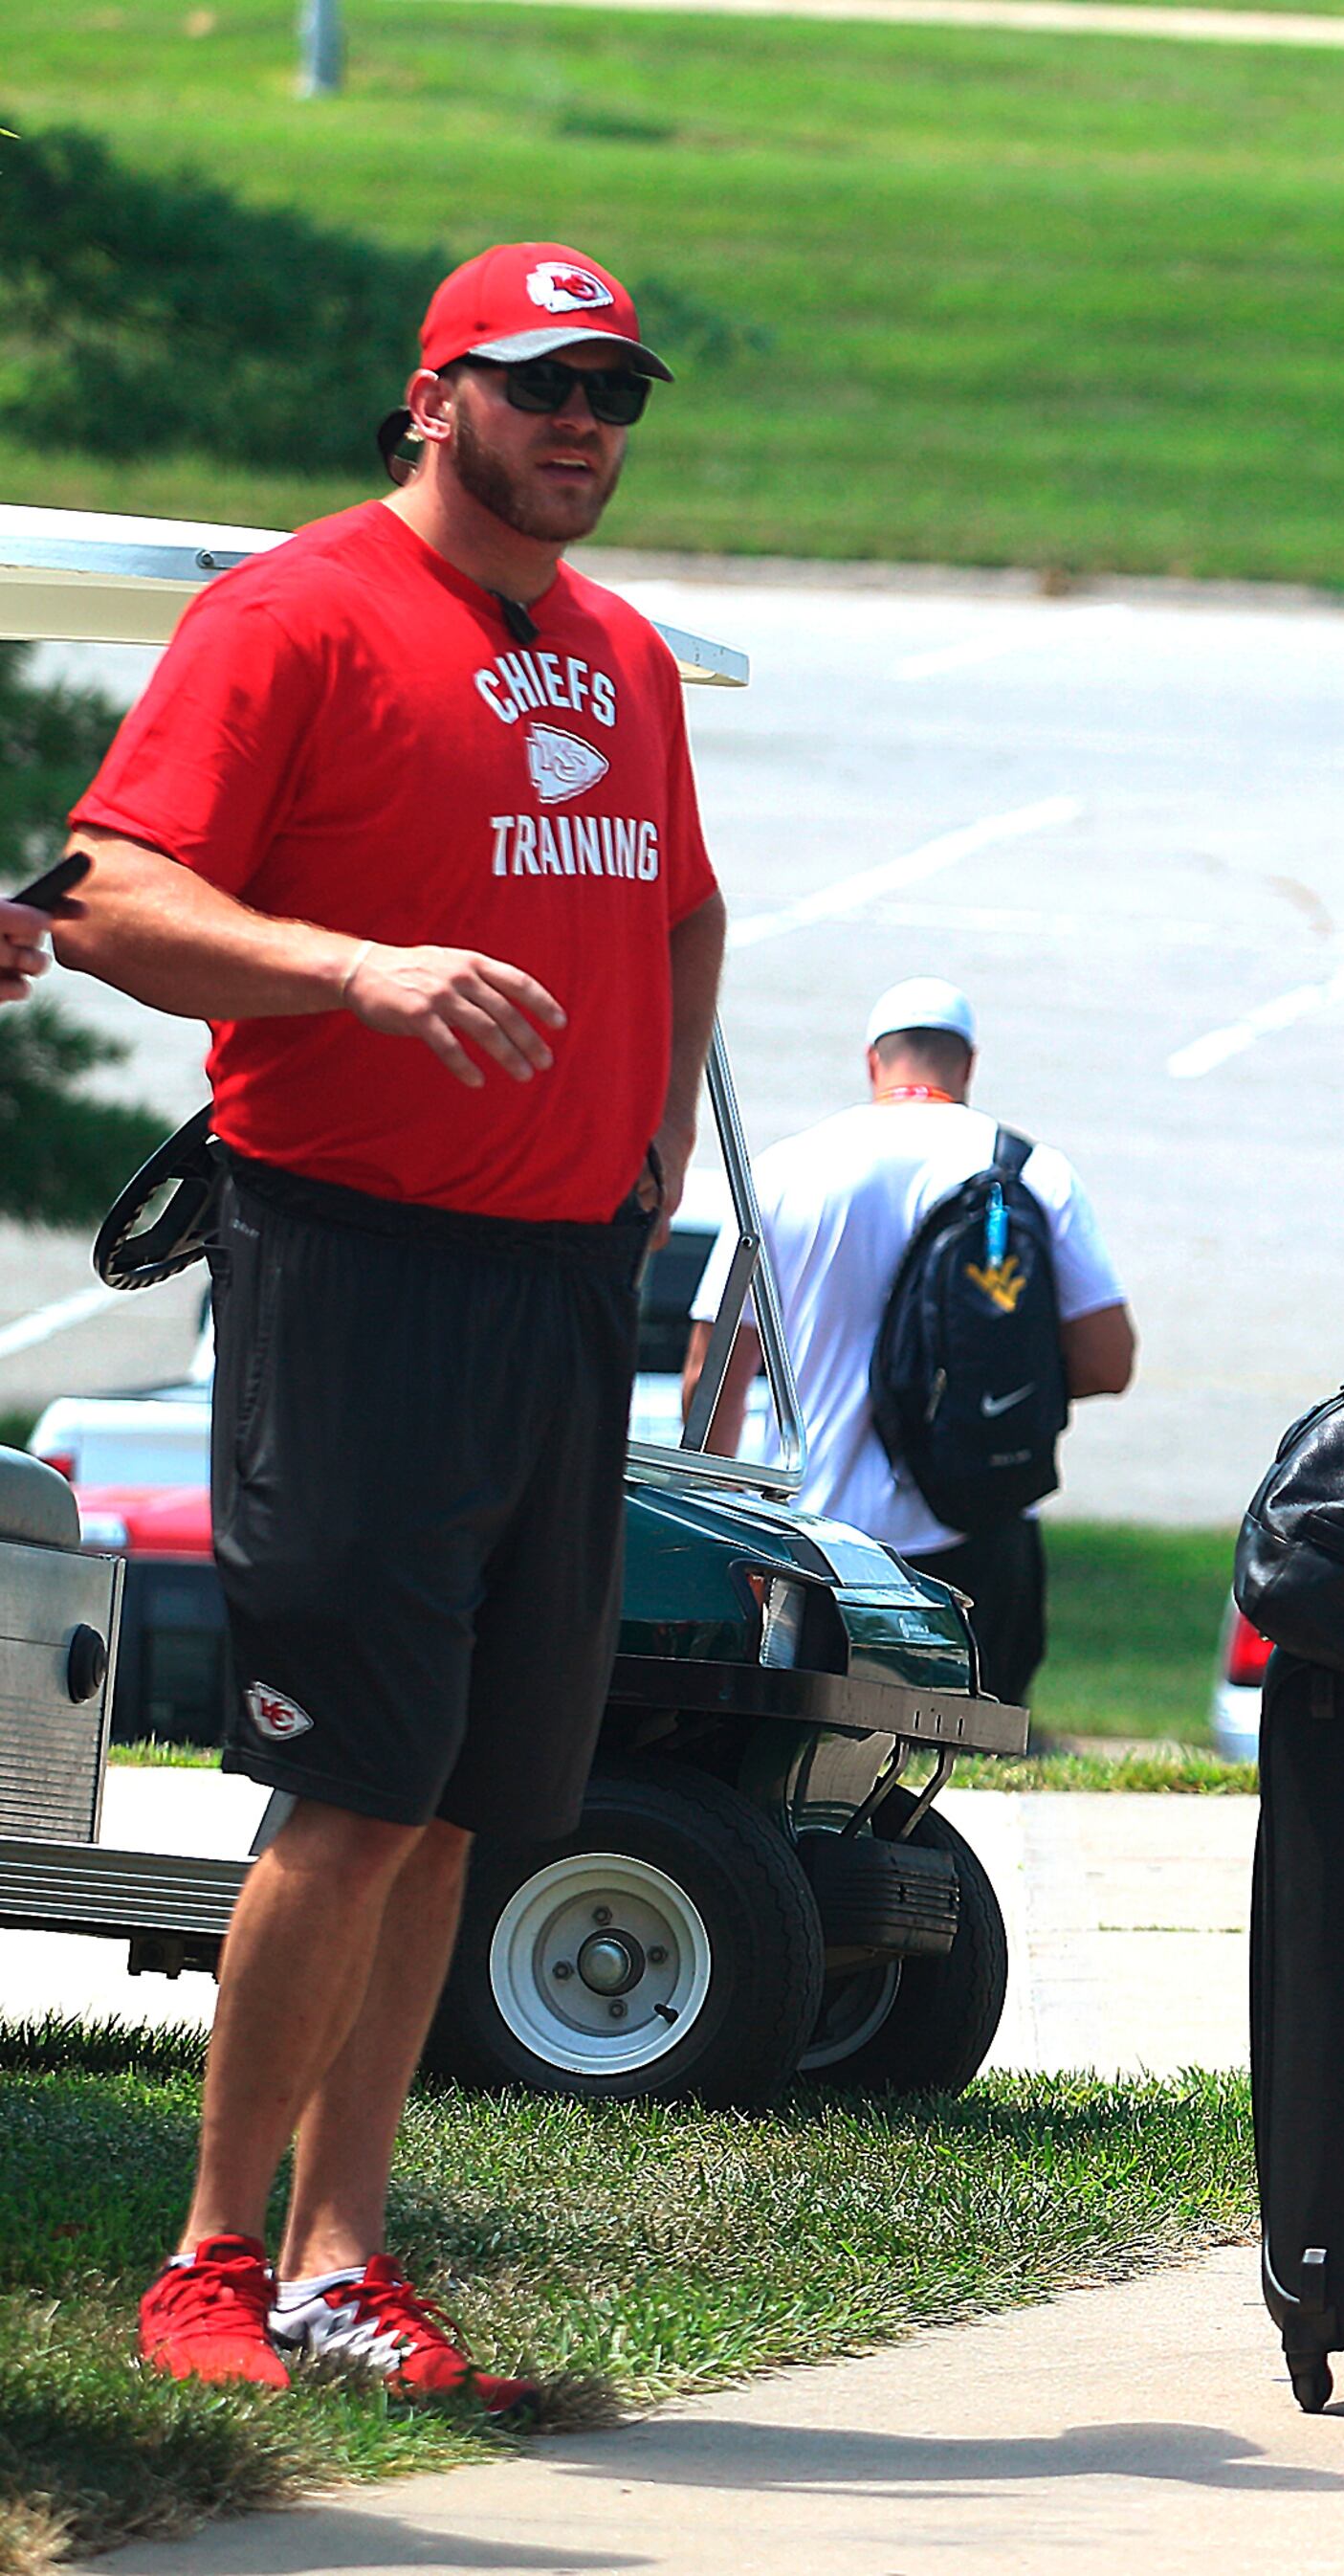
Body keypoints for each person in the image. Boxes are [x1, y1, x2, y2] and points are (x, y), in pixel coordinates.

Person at [58, 243, 726, 2406]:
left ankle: (353, 2260)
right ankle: (213, 2253)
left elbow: (686, 903)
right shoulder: (293, 612)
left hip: (556, 1279)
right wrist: (355, 968)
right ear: (434, 397)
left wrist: (650, 1154)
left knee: (455, 1800)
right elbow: (109, 896)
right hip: (351, 1260)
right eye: (540, 387)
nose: (583, 425)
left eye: (611, 391)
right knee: (344, 1786)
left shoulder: (620, 646)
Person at [684, 976, 1134, 1702]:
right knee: (970, 1767)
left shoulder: (785, 1170)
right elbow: (1109, 1362)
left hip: (814, 1536)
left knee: (803, 1769)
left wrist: (722, 1527)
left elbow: (711, 1376)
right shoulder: (1030, 1170)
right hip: (979, 1529)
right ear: (968, 1065)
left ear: (873, 1062)